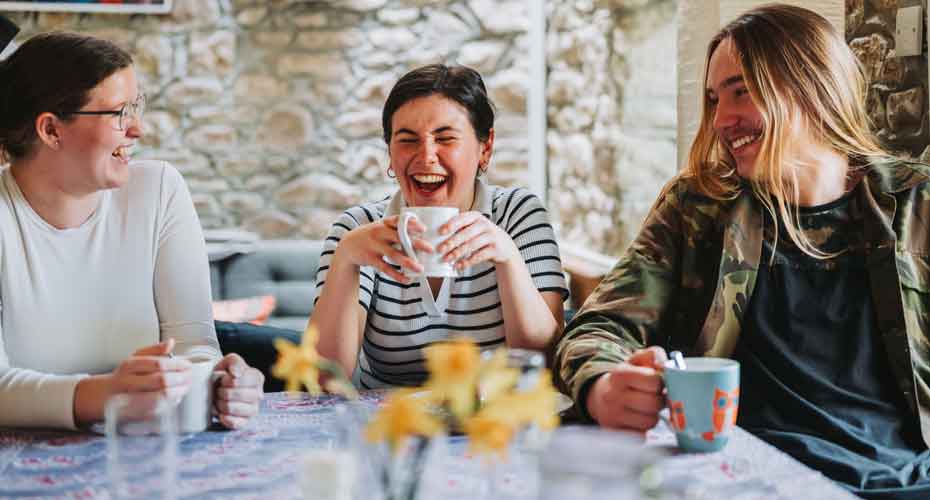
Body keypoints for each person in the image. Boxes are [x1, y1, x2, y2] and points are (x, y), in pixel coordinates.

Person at [556, 4, 930, 498]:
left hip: (900, 482)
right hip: (738, 479)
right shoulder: (699, 207)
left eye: (742, 92)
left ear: (813, 85)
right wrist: (603, 384)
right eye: (714, 99)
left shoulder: (915, 205)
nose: (722, 120)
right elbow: (599, 324)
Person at [0, 32, 264, 430]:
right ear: (51, 130)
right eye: (120, 113)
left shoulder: (159, 190)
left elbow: (196, 350)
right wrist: (105, 396)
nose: (138, 129)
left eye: (136, 108)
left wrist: (221, 384)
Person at [311, 64, 568, 389]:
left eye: (445, 138)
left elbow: (544, 359)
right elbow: (324, 377)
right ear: (390, 153)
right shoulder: (358, 229)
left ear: (484, 147)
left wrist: (507, 257)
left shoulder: (518, 214)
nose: (426, 156)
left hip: (495, 424)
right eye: (407, 140)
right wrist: (347, 258)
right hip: (389, 429)